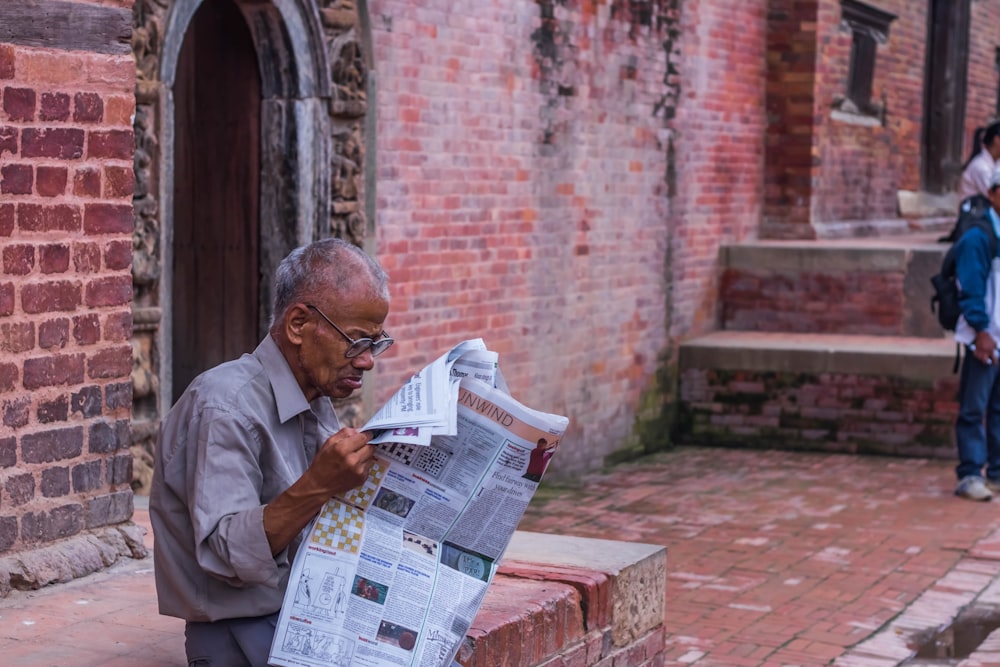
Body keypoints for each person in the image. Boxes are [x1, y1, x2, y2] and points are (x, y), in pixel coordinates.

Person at [149, 238, 394, 665]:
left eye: (376, 343)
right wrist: (319, 485)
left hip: (306, 606)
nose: (367, 361)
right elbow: (228, 555)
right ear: (299, 324)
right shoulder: (225, 405)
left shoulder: (314, 397)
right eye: (356, 342)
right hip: (241, 628)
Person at [953, 168, 1000, 500]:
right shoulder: (977, 237)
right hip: (983, 337)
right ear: (994, 193)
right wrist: (981, 331)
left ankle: (996, 471)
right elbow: (969, 288)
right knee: (974, 407)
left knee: (998, 407)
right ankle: (970, 473)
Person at [959, 122, 1000, 200]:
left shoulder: (996, 162)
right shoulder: (981, 167)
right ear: (997, 140)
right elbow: (996, 199)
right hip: (974, 210)